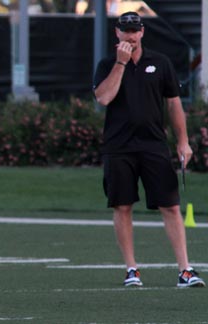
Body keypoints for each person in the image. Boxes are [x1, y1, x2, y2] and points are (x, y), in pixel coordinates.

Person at [93, 11, 205, 288]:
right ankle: (131, 269)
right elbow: (104, 97)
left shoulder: (161, 62)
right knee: (122, 206)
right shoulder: (107, 63)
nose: (130, 35)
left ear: (142, 32)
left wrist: (183, 141)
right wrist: (120, 63)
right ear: (117, 33)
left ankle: (185, 270)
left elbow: (174, 104)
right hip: (118, 147)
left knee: (170, 205)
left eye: (135, 30)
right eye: (125, 30)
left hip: (153, 144)